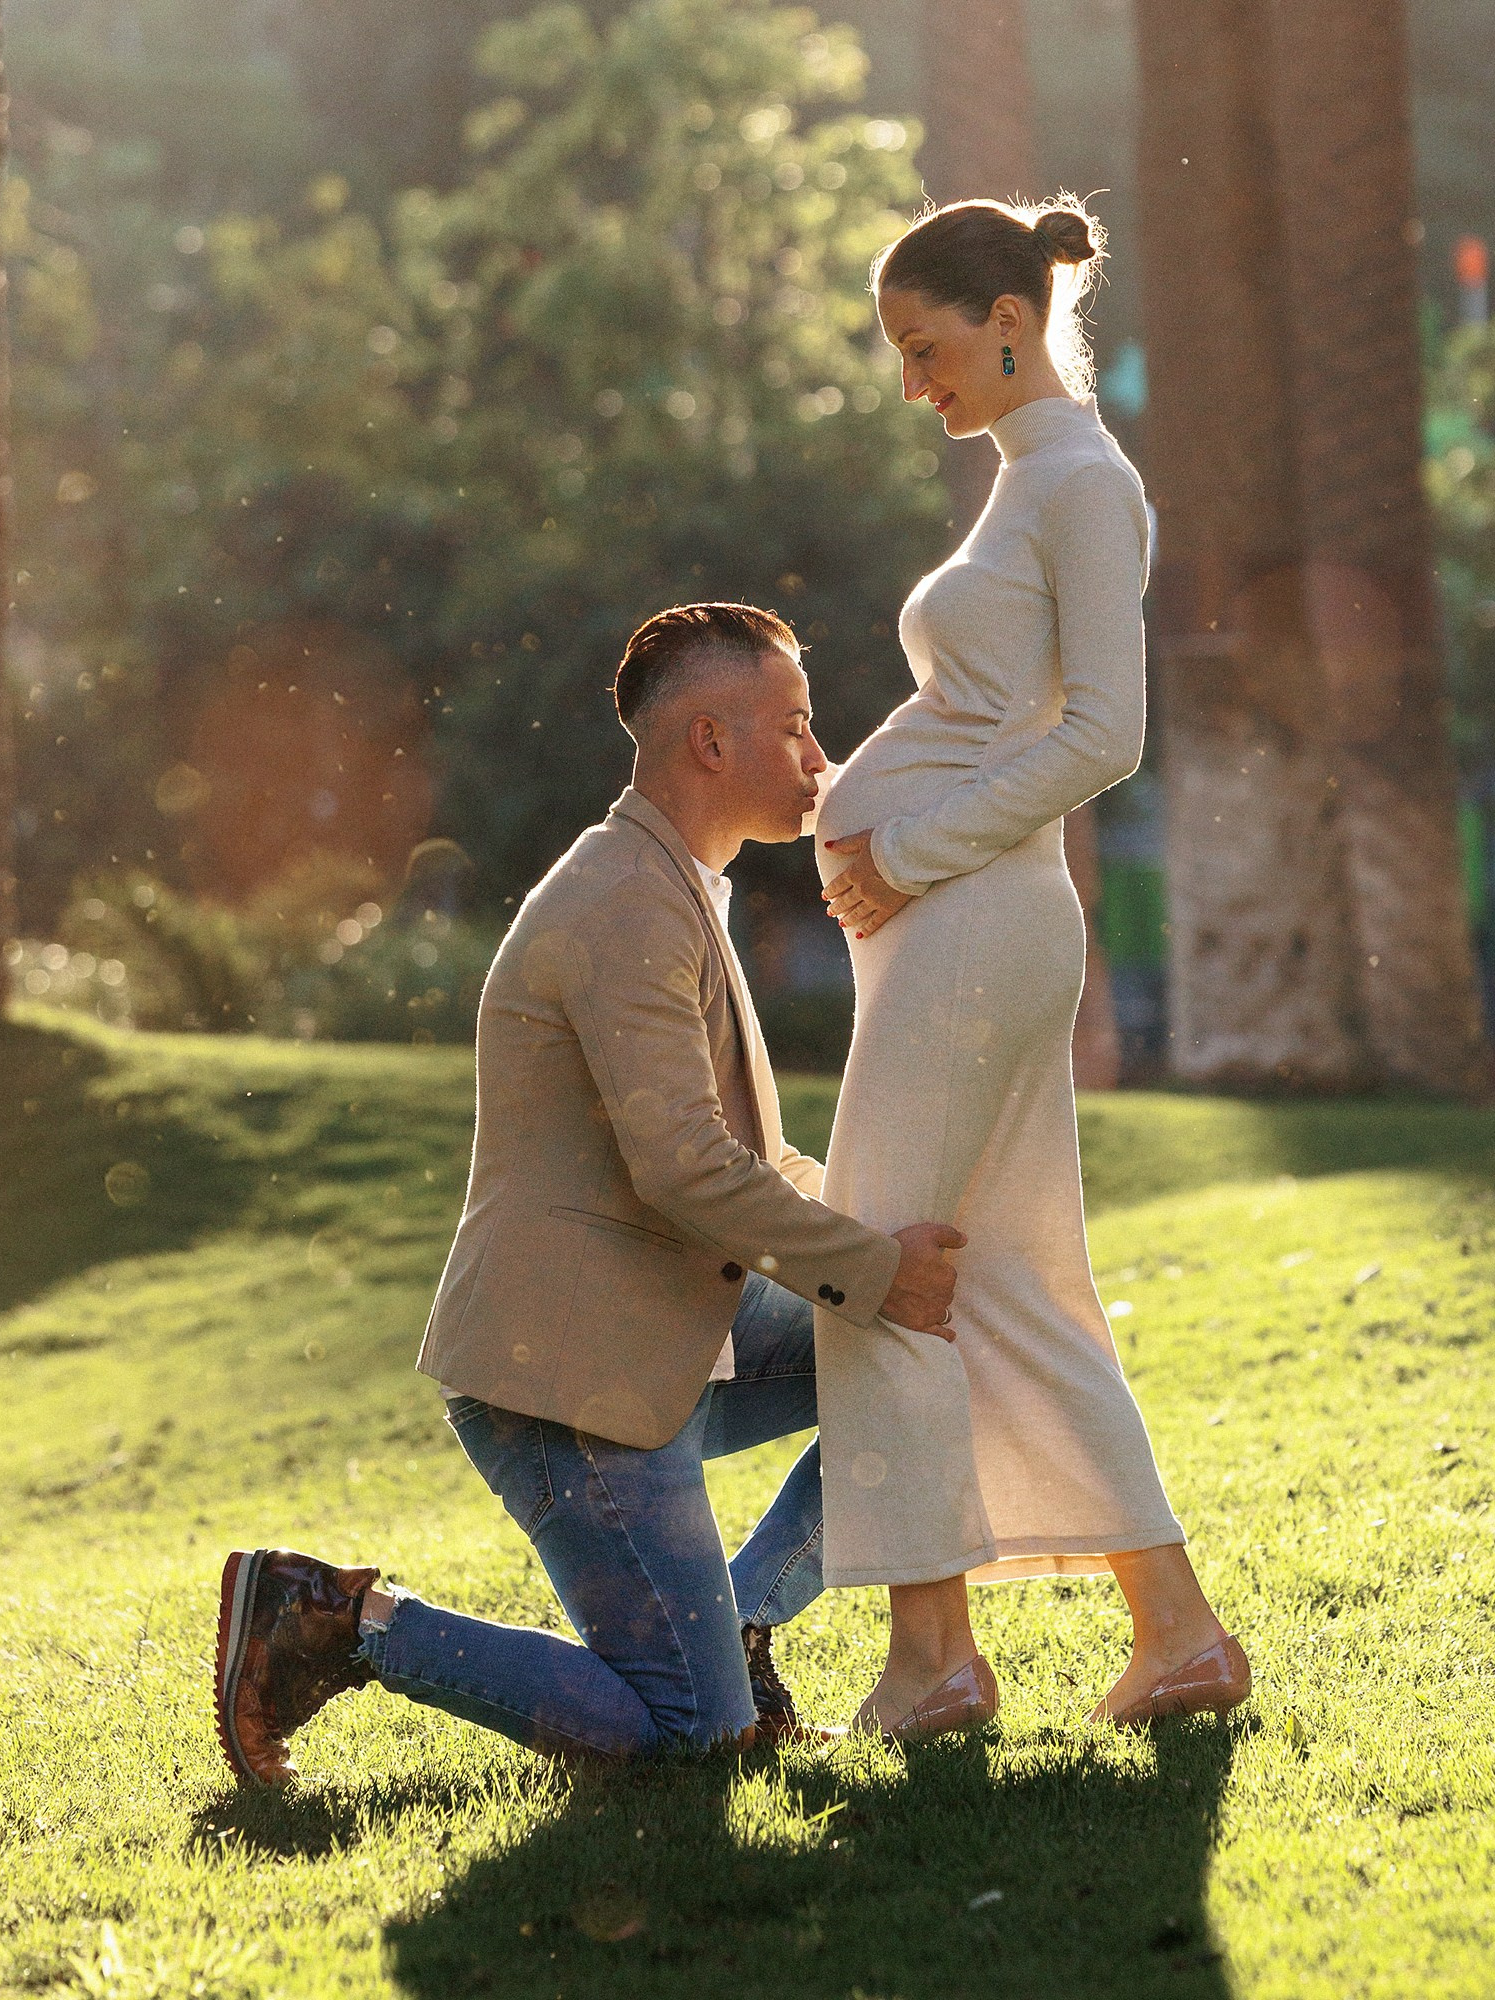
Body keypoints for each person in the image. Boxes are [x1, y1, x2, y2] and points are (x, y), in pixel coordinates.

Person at [213, 603, 964, 1782]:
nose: (821, 758)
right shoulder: (623, 899)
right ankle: (332, 1619)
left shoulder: (675, 883)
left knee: (934, 1348)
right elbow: (682, 1164)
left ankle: (739, 1624)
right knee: (686, 1738)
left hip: (662, 1333)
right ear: (709, 741)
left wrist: (888, 1245)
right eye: (794, 727)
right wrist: (873, 1268)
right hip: (566, 1380)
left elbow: (751, 1159)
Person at [811, 198, 1250, 1738]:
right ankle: (1177, 1635)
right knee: (995, 1278)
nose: (912, 382)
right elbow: (993, 714)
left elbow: (1107, 736)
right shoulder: (1027, 480)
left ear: (1009, 316)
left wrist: (905, 851)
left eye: (925, 347)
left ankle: (933, 1662)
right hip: (959, 926)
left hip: (980, 922)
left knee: (876, 1261)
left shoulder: (1082, 483)